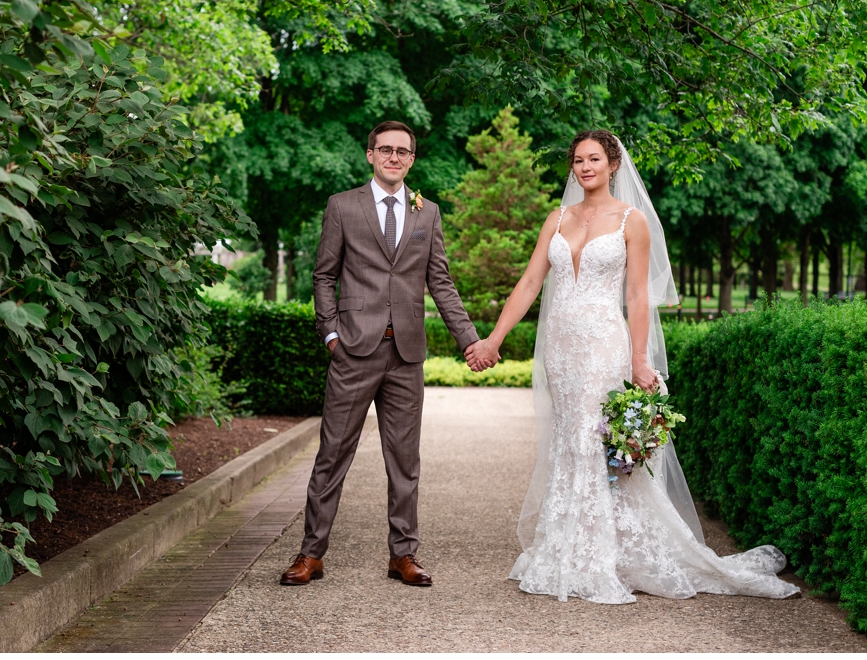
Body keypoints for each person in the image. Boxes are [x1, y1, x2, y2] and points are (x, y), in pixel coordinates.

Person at [467, 129, 800, 603]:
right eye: (578, 160)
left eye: (594, 159)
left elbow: (638, 294)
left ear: (613, 164)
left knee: (593, 439)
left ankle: (600, 555)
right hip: (561, 349)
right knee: (569, 439)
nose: (585, 168)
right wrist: (494, 340)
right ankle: (567, 546)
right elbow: (529, 282)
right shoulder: (557, 218)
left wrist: (640, 359)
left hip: (604, 344)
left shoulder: (632, 221)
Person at [279, 121, 488, 589]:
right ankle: (311, 553)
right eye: (386, 150)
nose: (394, 157)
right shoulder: (342, 206)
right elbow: (323, 275)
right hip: (353, 350)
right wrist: (331, 335)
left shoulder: (427, 212)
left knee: (404, 460)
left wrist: (469, 339)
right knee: (332, 453)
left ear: (412, 159)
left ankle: (404, 555)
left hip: (406, 354)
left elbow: (441, 282)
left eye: (403, 151)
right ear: (370, 154)